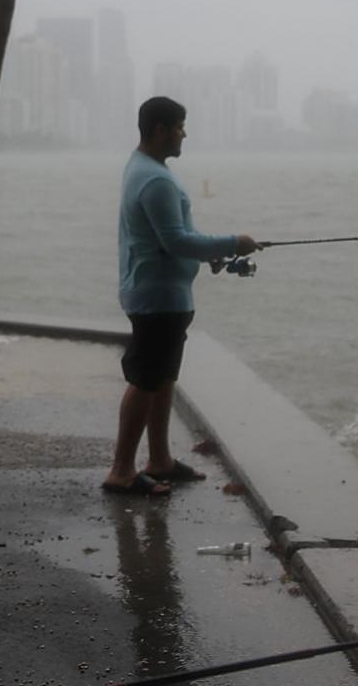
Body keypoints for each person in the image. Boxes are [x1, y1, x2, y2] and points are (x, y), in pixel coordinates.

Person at [107, 95, 255, 497]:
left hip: (164, 294)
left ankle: (160, 461)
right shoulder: (155, 179)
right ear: (160, 130)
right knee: (145, 380)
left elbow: (166, 240)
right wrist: (233, 242)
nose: (184, 134)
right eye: (179, 126)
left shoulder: (143, 167)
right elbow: (174, 240)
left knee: (163, 377)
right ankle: (121, 470)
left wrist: (210, 254)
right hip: (158, 299)